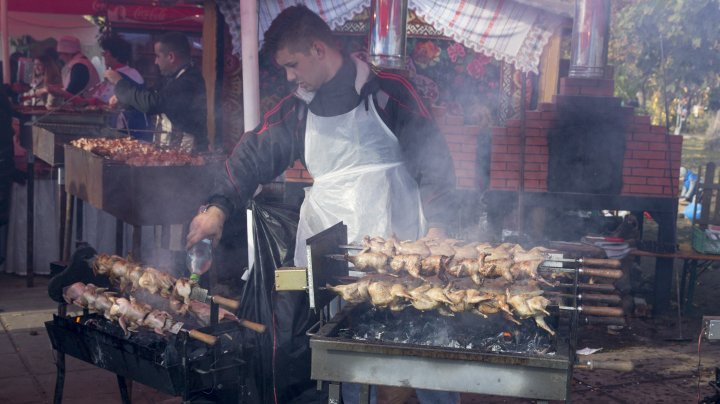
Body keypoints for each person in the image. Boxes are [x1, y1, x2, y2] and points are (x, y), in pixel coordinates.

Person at [186, 5, 457, 403]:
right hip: (330, 252)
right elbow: (250, 157)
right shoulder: (297, 109)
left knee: (404, 346)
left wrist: (440, 228)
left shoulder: (387, 92)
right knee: (343, 347)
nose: (290, 77)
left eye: (292, 65)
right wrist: (216, 208)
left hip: (397, 242)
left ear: (318, 49)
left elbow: (434, 161)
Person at [104, 32, 208, 151]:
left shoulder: (189, 80)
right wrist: (123, 100)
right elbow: (149, 94)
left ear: (171, 57)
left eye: (158, 56)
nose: (155, 62)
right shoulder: (171, 78)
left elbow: (152, 103)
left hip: (188, 152)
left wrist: (119, 83)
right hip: (169, 149)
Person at [94, 34, 150, 141]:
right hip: (136, 128)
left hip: (132, 130)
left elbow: (107, 101)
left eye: (104, 53)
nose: (104, 57)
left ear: (110, 54)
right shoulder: (132, 72)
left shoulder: (117, 75)